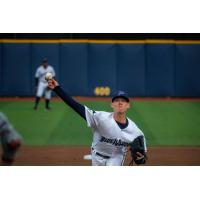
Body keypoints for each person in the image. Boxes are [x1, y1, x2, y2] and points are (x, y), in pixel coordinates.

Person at [47, 79, 147, 166]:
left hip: (116, 158)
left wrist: (141, 157)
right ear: (112, 105)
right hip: (96, 156)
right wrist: (57, 89)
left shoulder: (135, 131)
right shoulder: (101, 118)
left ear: (128, 105)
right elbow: (76, 106)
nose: (120, 103)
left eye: (123, 101)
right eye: (117, 100)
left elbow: (143, 155)